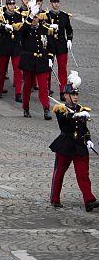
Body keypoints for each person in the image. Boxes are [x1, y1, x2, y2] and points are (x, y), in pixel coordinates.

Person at [49, 72, 96, 211]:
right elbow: (63, 124)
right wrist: (73, 115)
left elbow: (84, 128)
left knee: (83, 175)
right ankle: (55, 198)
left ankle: (89, 200)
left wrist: (88, 139)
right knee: (59, 173)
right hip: (66, 145)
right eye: (73, 94)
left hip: (79, 146)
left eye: (77, 94)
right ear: (66, 96)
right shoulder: (61, 109)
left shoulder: (81, 110)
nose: (75, 97)